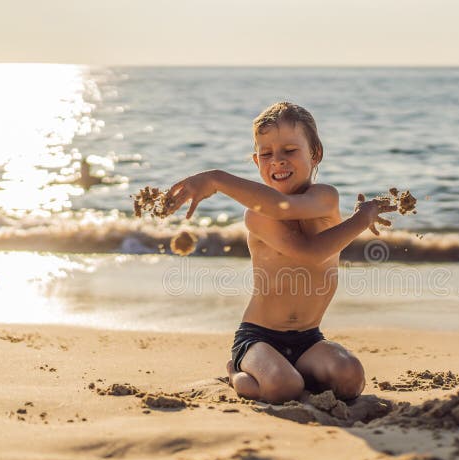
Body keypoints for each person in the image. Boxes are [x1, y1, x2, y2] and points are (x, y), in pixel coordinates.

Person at [167, 102, 395, 404]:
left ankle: (295, 374)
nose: (277, 161)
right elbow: (309, 251)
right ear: (255, 160)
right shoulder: (258, 216)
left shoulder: (325, 197)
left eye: (289, 151)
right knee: (283, 388)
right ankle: (236, 372)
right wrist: (215, 179)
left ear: (315, 154)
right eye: (266, 154)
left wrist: (358, 218)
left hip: (308, 338)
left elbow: (294, 212)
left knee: (350, 377)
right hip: (260, 337)